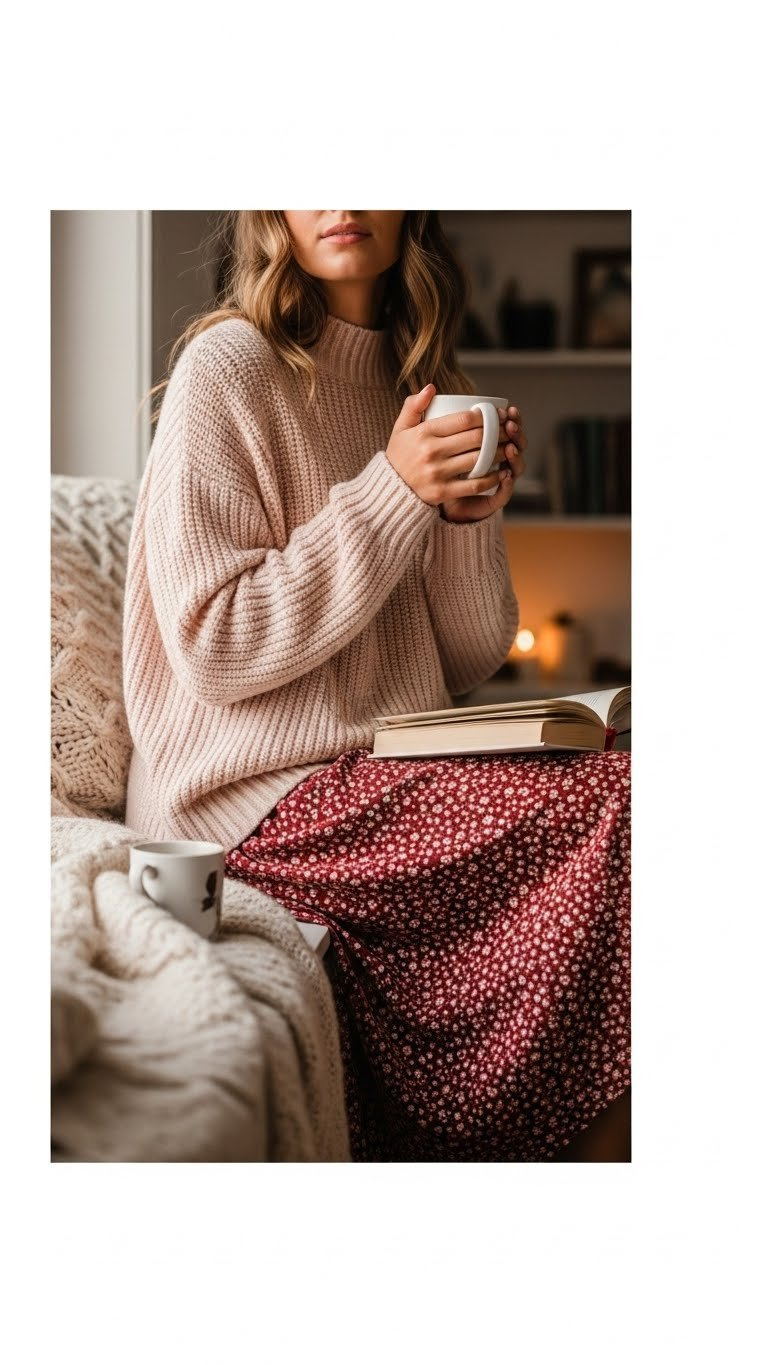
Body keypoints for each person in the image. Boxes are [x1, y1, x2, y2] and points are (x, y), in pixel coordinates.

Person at [123, 211, 630, 1162]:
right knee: (633, 806)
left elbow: (471, 651)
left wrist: (466, 516)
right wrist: (393, 491)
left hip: (381, 777)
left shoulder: (419, 384)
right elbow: (215, 642)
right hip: (254, 802)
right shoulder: (227, 369)